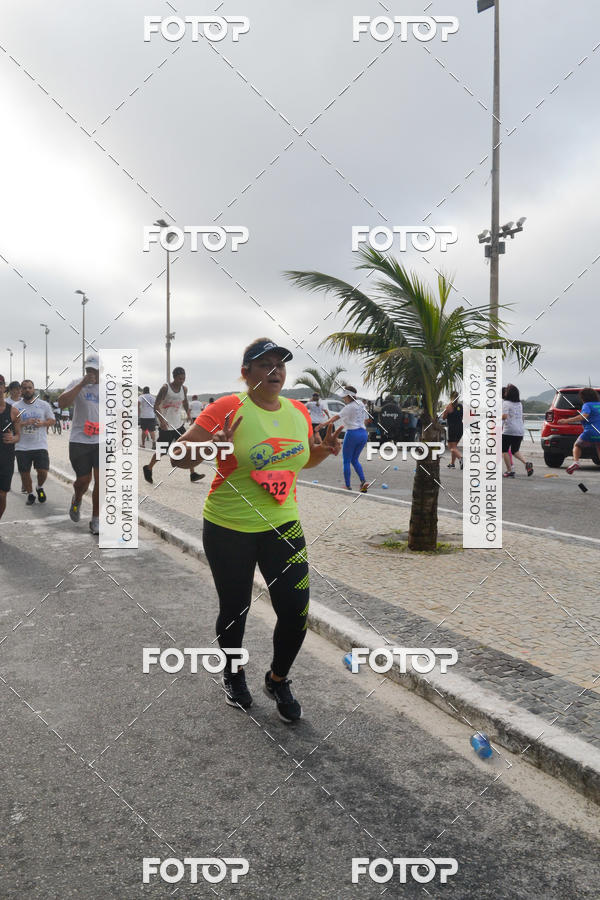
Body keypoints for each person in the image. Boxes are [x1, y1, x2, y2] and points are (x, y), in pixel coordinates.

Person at [170, 337, 342, 721]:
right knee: (236, 609)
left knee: (296, 611)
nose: (274, 370)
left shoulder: (297, 409)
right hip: (229, 527)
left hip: (283, 526)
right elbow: (177, 456)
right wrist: (211, 447)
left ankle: (278, 678)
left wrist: (321, 451)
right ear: (245, 373)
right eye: (264, 364)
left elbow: (297, 461)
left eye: (280, 364)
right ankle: (233, 674)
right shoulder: (227, 407)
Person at [59, 354, 100, 535]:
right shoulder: (76, 383)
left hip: (102, 440)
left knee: (102, 482)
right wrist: (82, 384)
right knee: (84, 480)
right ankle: (77, 499)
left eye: (94, 370)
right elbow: (61, 403)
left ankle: (95, 520)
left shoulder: (109, 387)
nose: (91, 373)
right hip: (79, 440)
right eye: (88, 370)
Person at [142, 367, 204, 484]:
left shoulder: (184, 389)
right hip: (166, 426)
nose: (182, 381)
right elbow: (156, 406)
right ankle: (148, 468)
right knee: (161, 451)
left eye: (184, 378)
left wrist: (189, 416)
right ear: (174, 377)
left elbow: (185, 402)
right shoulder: (165, 388)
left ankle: (193, 474)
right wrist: (162, 421)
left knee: (187, 447)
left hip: (178, 424)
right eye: (180, 378)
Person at [14, 380, 55, 505]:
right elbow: (11, 424)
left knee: (43, 471)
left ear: (34, 389)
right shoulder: (16, 407)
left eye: (30, 388)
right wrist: (25, 423)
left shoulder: (43, 405)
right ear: (21, 390)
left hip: (39, 444)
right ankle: (31, 494)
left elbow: (52, 420)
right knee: (25, 473)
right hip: (21, 446)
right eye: (25, 388)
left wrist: (42, 423)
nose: (27, 390)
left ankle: (39, 487)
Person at [327, 386, 370, 492]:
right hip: (363, 434)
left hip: (352, 433)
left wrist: (323, 424)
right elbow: (367, 419)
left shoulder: (349, 407)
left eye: (344, 397)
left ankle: (347, 485)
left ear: (349, 396)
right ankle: (363, 481)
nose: (343, 399)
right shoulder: (361, 404)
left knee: (346, 460)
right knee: (354, 460)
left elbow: (336, 417)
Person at [562, 388, 600, 474]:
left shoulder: (587, 405)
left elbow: (583, 416)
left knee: (577, 445)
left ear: (584, 397)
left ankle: (576, 462)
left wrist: (566, 421)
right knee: (599, 448)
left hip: (590, 432)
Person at [502, 383, 533, 478]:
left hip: (509, 430)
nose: (505, 392)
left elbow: (504, 416)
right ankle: (526, 463)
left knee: (504, 450)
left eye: (506, 391)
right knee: (515, 450)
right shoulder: (519, 404)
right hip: (520, 430)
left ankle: (509, 471)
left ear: (509, 393)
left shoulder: (506, 403)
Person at [0, 389, 21, 522]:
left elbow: (18, 435)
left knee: (2, 495)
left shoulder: (13, 411)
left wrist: (13, 438)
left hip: (6, 459)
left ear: (3, 388)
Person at [442, 391, 463, 469]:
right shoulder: (461, 406)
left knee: (451, 447)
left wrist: (446, 410)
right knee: (455, 447)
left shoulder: (449, 406)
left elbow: (443, 417)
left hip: (452, 428)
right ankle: (452, 463)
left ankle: (461, 458)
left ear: (451, 397)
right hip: (460, 427)